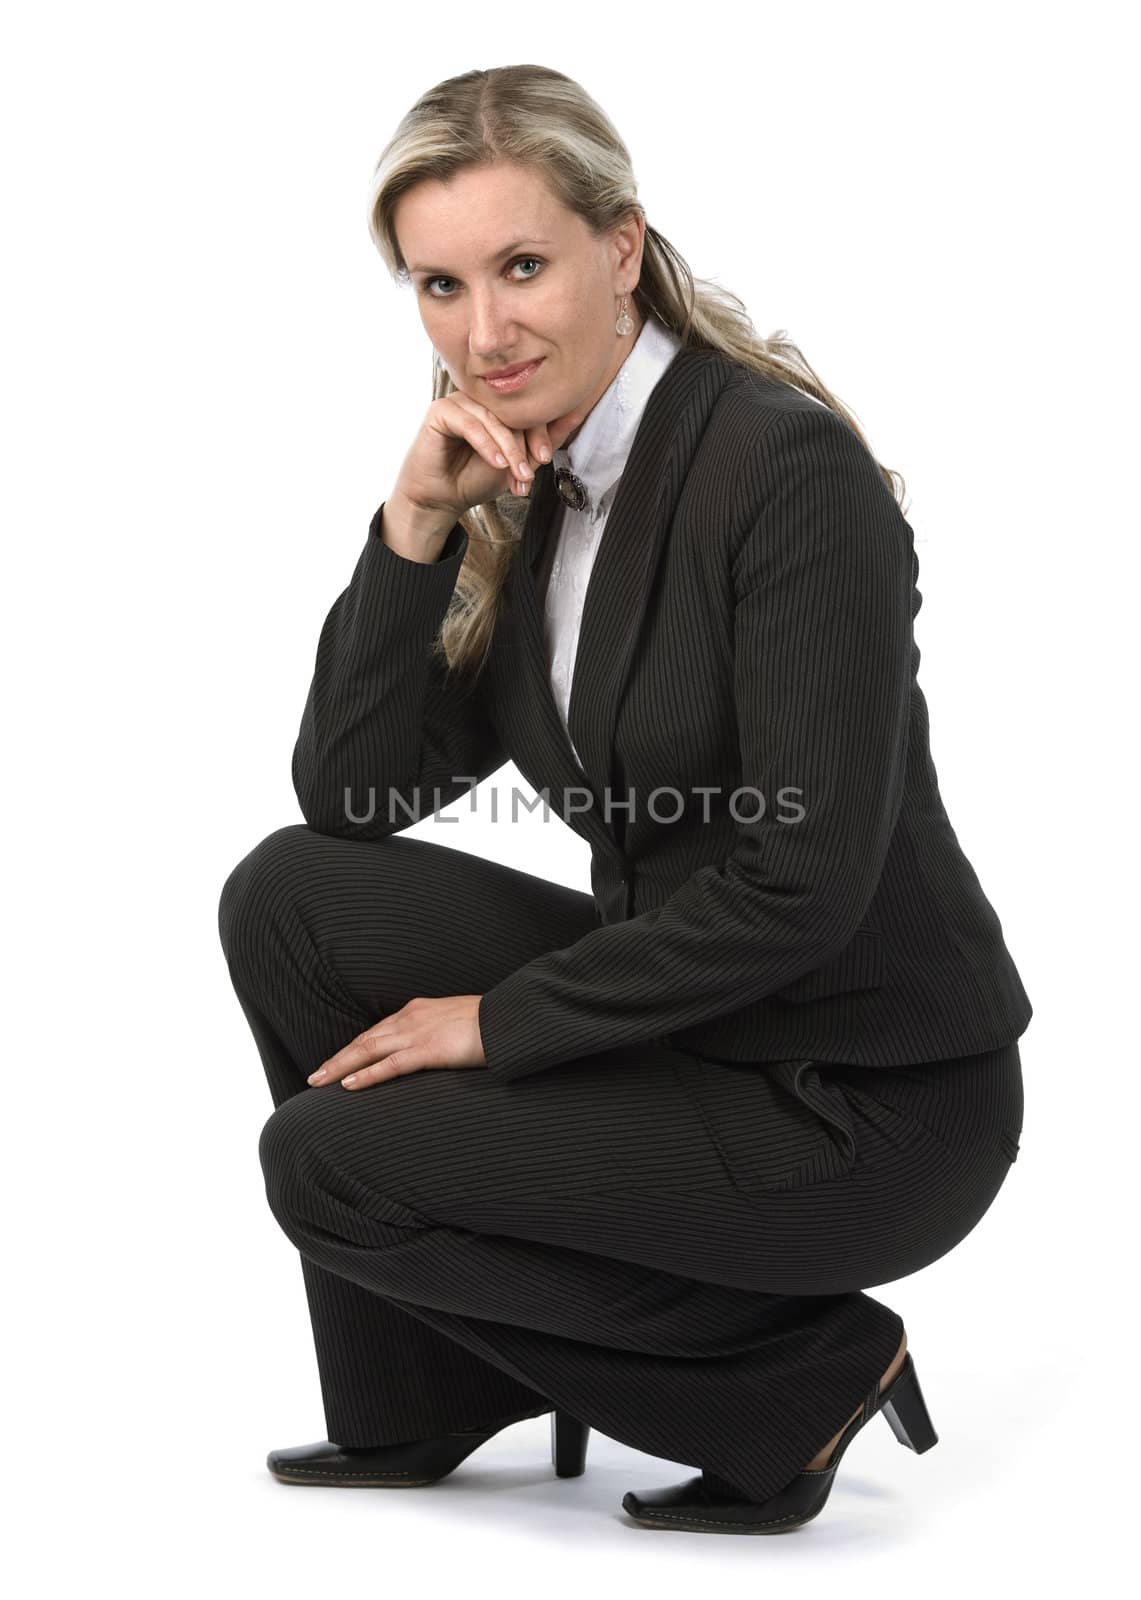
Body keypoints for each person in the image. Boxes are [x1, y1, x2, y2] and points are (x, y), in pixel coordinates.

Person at [217, 63, 1031, 1535]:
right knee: (288, 899)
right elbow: (350, 793)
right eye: (438, 285)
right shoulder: (537, 486)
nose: (481, 330)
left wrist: (498, 1024)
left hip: (856, 1096)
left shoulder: (780, 472)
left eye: (520, 266)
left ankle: (795, 1380)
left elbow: (801, 882)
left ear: (621, 249)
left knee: (327, 1169)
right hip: (688, 1021)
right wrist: (410, 530)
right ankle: (429, 1387)